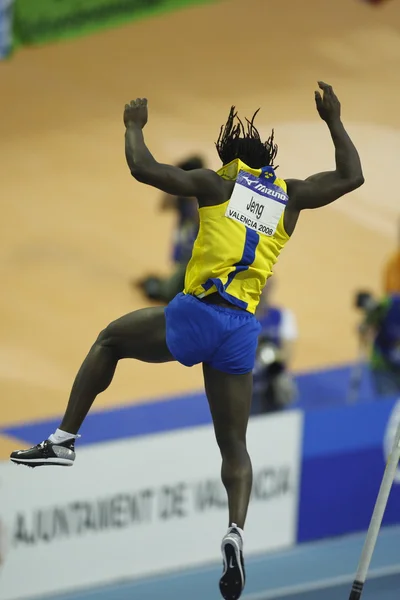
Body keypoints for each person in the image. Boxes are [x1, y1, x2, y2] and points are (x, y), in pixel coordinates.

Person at [10, 82, 364, 600]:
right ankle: (235, 531)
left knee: (110, 340)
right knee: (235, 446)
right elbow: (352, 175)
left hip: (198, 314)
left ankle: (64, 441)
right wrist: (333, 119)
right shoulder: (290, 196)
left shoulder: (216, 184)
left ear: (228, 156)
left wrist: (133, 126)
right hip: (242, 331)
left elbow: (144, 169)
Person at [137, 155, 203, 303]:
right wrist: (173, 182)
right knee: (173, 291)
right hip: (183, 246)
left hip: (194, 252)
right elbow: (163, 206)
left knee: (169, 293)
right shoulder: (181, 195)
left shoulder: (202, 197)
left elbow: (200, 221)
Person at [252, 281, 298, 414]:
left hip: (272, 386)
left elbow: (288, 354)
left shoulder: (282, 316)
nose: (262, 291)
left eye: (266, 286)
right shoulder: (240, 318)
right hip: (246, 387)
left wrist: (269, 355)